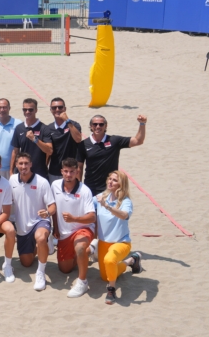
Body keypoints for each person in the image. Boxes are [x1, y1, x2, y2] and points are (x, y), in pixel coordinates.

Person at [7, 152, 56, 290]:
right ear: (16, 165)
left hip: (40, 221)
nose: (23, 166)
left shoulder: (42, 182)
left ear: (31, 164)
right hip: (22, 227)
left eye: (26, 163)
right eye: (20, 163)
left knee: (40, 238)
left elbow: (52, 206)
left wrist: (47, 212)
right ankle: (45, 245)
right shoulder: (12, 181)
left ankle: (40, 272)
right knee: (26, 262)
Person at [94, 170, 143, 304]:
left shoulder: (126, 201)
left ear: (121, 184)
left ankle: (111, 290)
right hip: (104, 242)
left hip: (121, 242)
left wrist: (107, 206)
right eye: (110, 179)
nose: (111, 182)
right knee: (106, 275)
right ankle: (132, 261)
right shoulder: (99, 197)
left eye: (115, 180)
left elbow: (123, 215)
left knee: (110, 261)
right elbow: (86, 209)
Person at [51, 158, 97, 298]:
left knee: (80, 247)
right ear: (61, 172)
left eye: (72, 171)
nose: (69, 174)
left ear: (77, 172)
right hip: (64, 233)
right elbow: (53, 208)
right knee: (65, 269)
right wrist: (56, 228)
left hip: (82, 228)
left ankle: (82, 282)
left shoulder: (85, 190)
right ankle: (92, 249)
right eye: (66, 171)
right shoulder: (54, 185)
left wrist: (74, 219)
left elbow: (92, 217)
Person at [76, 114, 148, 196]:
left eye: (101, 124)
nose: (98, 126)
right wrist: (78, 186)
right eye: (95, 124)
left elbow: (138, 141)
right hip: (91, 187)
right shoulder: (83, 144)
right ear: (91, 126)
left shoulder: (114, 141)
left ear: (106, 126)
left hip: (111, 187)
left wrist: (142, 124)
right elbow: (79, 167)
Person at [40, 98, 82, 183]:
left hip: (71, 171)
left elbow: (78, 139)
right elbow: (48, 152)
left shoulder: (74, 125)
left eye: (60, 107)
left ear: (64, 109)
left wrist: (67, 121)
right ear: (51, 110)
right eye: (54, 108)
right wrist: (45, 169)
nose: (57, 110)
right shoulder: (48, 128)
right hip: (54, 171)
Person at [10, 98, 51, 179]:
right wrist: (11, 171)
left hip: (40, 172)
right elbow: (15, 151)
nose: (27, 112)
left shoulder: (44, 128)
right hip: (22, 172)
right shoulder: (19, 128)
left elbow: (49, 150)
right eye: (25, 110)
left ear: (36, 110)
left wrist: (35, 140)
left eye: (30, 110)